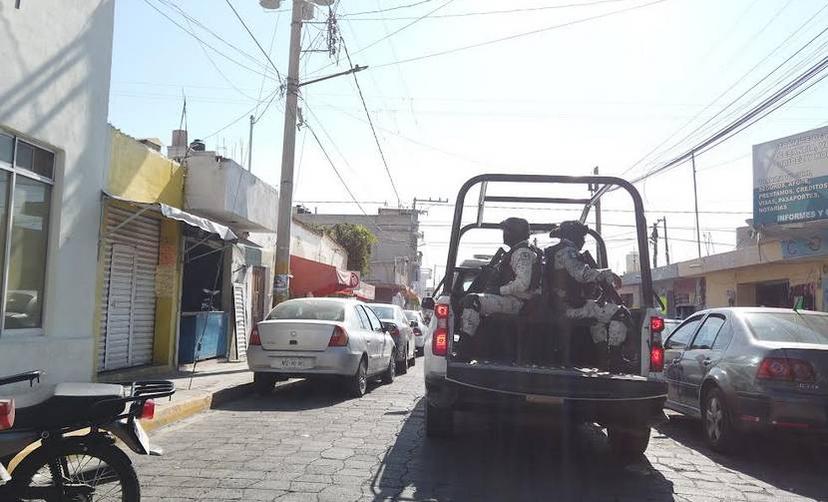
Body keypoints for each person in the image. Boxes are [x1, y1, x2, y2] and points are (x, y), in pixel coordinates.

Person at [548, 220, 628, 347]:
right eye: (581, 236)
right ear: (573, 235)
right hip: (568, 307)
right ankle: (614, 356)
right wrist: (608, 274)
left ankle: (602, 354)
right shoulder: (567, 252)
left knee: (598, 316)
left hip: (562, 305)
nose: (584, 241)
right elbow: (582, 274)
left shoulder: (557, 251)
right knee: (620, 313)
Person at [460, 217, 542, 338]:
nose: (504, 234)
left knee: (473, 301)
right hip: (514, 299)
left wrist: (498, 290)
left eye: (507, 231)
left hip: (519, 302)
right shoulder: (519, 251)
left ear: (515, 233)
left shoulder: (522, 252)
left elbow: (523, 284)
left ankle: (464, 345)